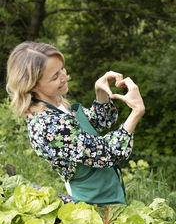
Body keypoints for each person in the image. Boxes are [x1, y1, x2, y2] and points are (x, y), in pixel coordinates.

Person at [6, 41, 145, 206]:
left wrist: (100, 90)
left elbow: (97, 123)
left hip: (107, 188)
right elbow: (107, 153)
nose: (65, 77)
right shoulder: (47, 126)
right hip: (93, 203)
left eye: (62, 69)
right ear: (33, 85)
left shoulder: (58, 104)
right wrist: (136, 112)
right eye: (55, 77)